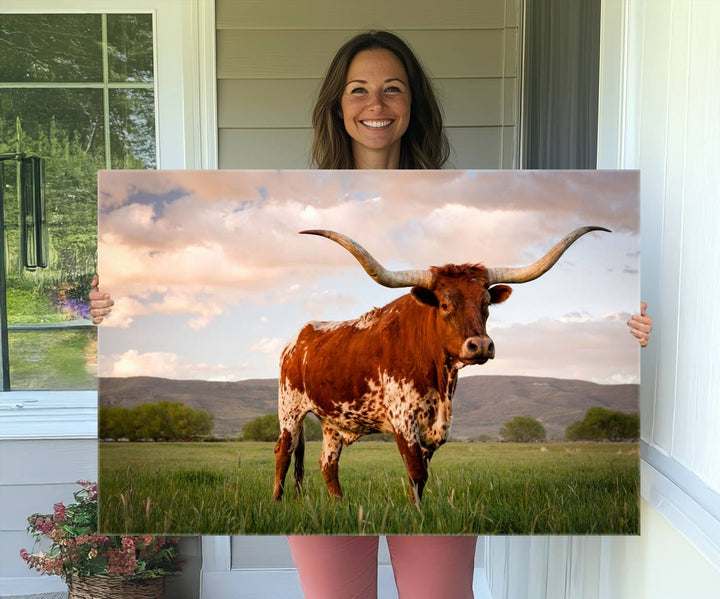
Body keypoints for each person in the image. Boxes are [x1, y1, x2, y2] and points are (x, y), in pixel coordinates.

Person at [90, 30, 653, 599]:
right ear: (338, 104)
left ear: (414, 105)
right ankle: (290, 490)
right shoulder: (294, 194)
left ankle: (415, 494)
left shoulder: (471, 190)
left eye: (393, 89)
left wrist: (636, 330)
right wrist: (108, 301)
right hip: (324, 369)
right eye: (358, 90)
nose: (376, 105)